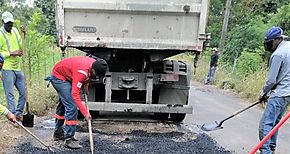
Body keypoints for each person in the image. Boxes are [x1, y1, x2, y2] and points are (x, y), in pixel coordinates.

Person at [48, 56, 108, 149]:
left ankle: (58, 133)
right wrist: (85, 113)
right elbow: (75, 95)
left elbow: (88, 76)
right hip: (59, 76)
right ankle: (69, 139)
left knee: (64, 104)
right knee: (71, 106)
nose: (96, 77)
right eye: (96, 75)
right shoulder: (82, 72)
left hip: (68, 74)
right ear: (93, 69)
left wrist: (86, 87)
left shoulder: (95, 65)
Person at [258, 26, 290, 154]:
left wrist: (263, 93)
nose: (269, 46)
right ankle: (271, 148)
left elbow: (271, 81)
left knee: (265, 124)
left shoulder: (278, 54)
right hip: (287, 94)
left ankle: (265, 151)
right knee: (275, 123)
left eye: (270, 43)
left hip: (280, 93)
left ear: (278, 39)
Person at [0, 11, 25, 121]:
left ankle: (18, 112)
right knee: (9, 94)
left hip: (18, 67)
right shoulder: (0, 34)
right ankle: (13, 117)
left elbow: (21, 45)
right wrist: (11, 53)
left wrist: (24, 34)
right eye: (7, 23)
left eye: (11, 23)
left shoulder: (15, 31)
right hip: (6, 68)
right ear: (2, 22)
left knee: (23, 92)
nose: (10, 25)